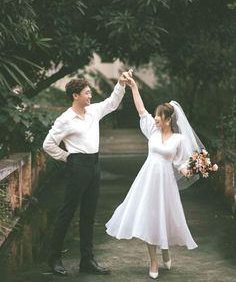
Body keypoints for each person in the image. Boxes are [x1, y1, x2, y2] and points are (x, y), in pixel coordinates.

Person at [106, 76, 203, 279]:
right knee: (150, 217)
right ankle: (153, 261)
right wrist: (133, 87)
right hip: (147, 180)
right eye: (155, 115)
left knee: (164, 217)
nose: (155, 118)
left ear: (169, 119)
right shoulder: (152, 131)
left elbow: (181, 163)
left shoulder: (179, 139)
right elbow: (141, 110)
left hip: (166, 183)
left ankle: (166, 249)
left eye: (159, 116)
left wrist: (191, 169)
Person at [43, 70, 132, 276]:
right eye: (87, 93)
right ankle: (54, 258)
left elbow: (112, 103)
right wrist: (68, 157)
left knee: (88, 214)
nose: (90, 96)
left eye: (90, 93)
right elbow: (48, 144)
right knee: (67, 212)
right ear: (75, 96)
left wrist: (121, 84)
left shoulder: (93, 111)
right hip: (77, 166)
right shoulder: (65, 119)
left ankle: (87, 260)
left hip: (94, 165)